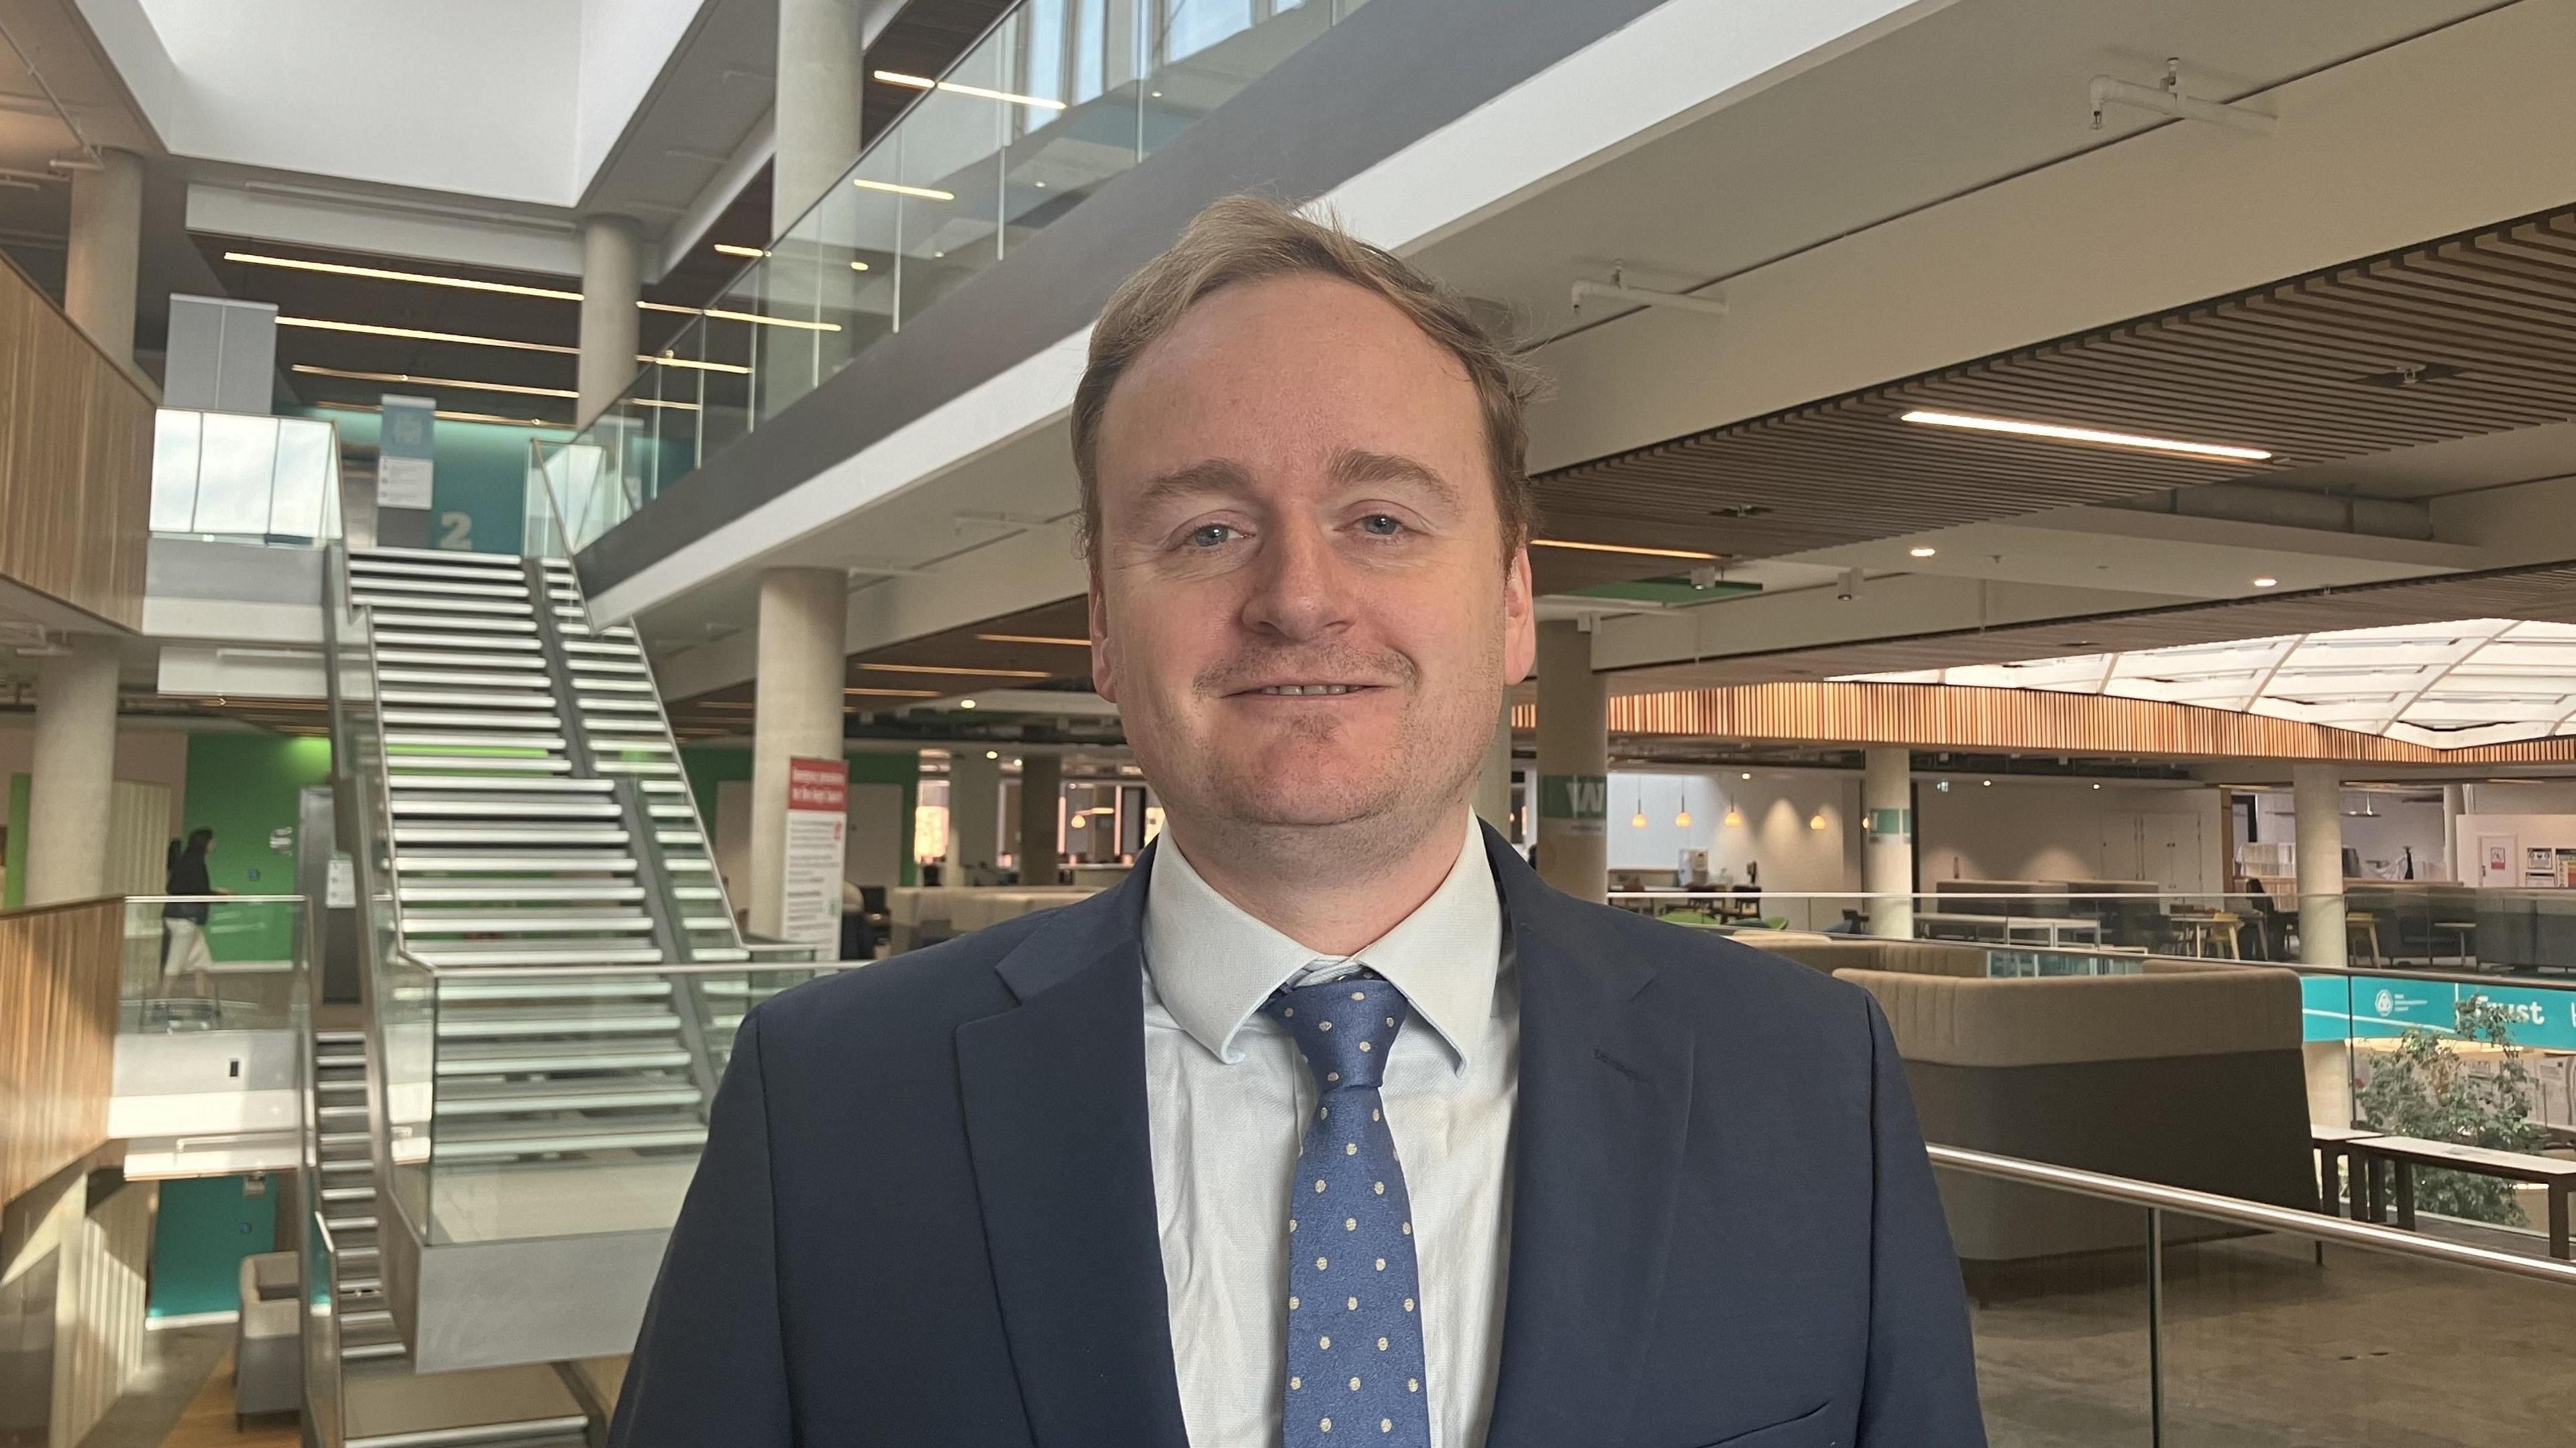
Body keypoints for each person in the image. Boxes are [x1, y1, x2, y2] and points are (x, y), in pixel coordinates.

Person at [610, 197, 1984, 1448]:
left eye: (1381, 516)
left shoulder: (1808, 1080)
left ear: (1512, 600)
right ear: (1102, 620)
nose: (1301, 597)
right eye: (1208, 530)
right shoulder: (833, 1103)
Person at [161, 828, 219, 987]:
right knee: (175, 962)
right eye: (211, 841)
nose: (213, 844)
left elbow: (186, 888)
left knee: (201, 958)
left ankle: (201, 1000)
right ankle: (162, 1002)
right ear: (205, 843)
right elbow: (197, 892)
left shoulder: (187, 860)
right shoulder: (195, 863)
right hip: (185, 920)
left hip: (180, 917)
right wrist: (219, 896)